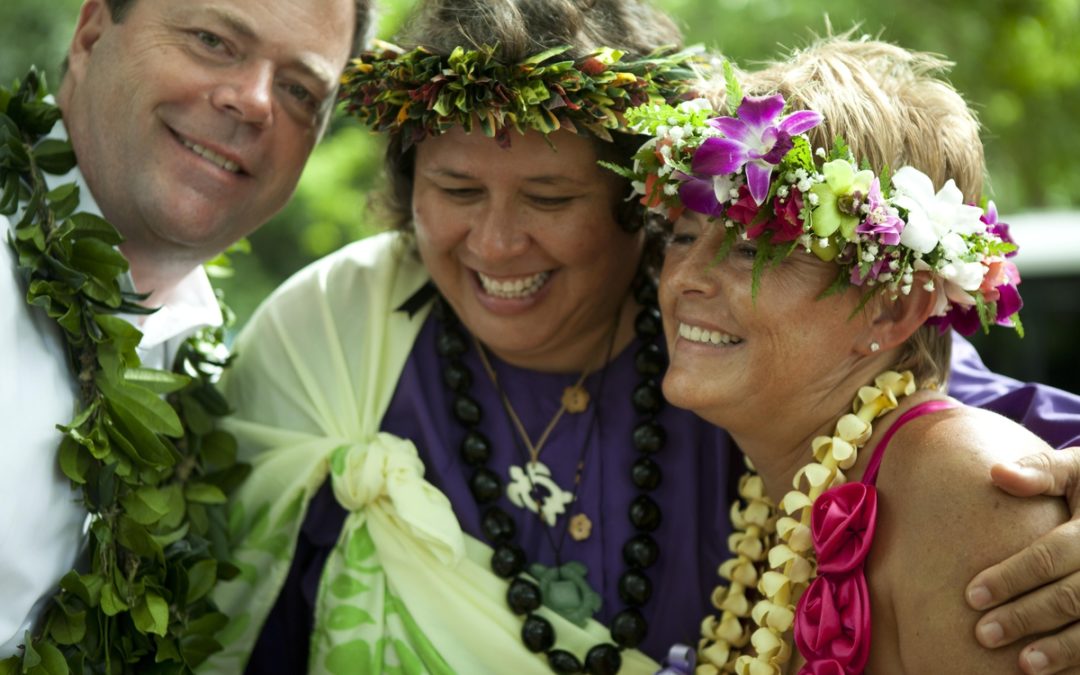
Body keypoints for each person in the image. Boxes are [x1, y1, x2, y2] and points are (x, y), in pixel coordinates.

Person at [207, 2, 1080, 674]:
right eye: (458, 190)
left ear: (638, 210)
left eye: (550, 199)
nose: (499, 242)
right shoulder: (336, 328)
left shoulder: (764, 367)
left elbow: (941, 414)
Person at [644, 36, 1074, 672]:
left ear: (892, 309)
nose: (685, 279)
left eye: (751, 250)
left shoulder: (966, 485)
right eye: (682, 235)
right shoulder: (778, 488)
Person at [0, 0, 370, 670]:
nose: (255, 101)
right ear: (90, 32)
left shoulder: (217, 380)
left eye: (299, 90)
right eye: (212, 41)